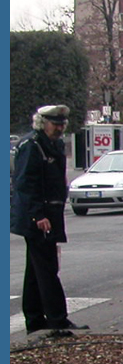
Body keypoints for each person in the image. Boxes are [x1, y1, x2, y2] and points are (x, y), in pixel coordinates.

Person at [11, 104, 88, 335]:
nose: (59, 128)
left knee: (35, 270)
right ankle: (57, 320)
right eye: (55, 124)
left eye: (62, 125)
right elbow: (25, 184)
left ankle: (35, 319)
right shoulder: (31, 145)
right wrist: (38, 215)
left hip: (48, 214)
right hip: (37, 216)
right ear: (42, 123)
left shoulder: (50, 144)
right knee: (47, 268)